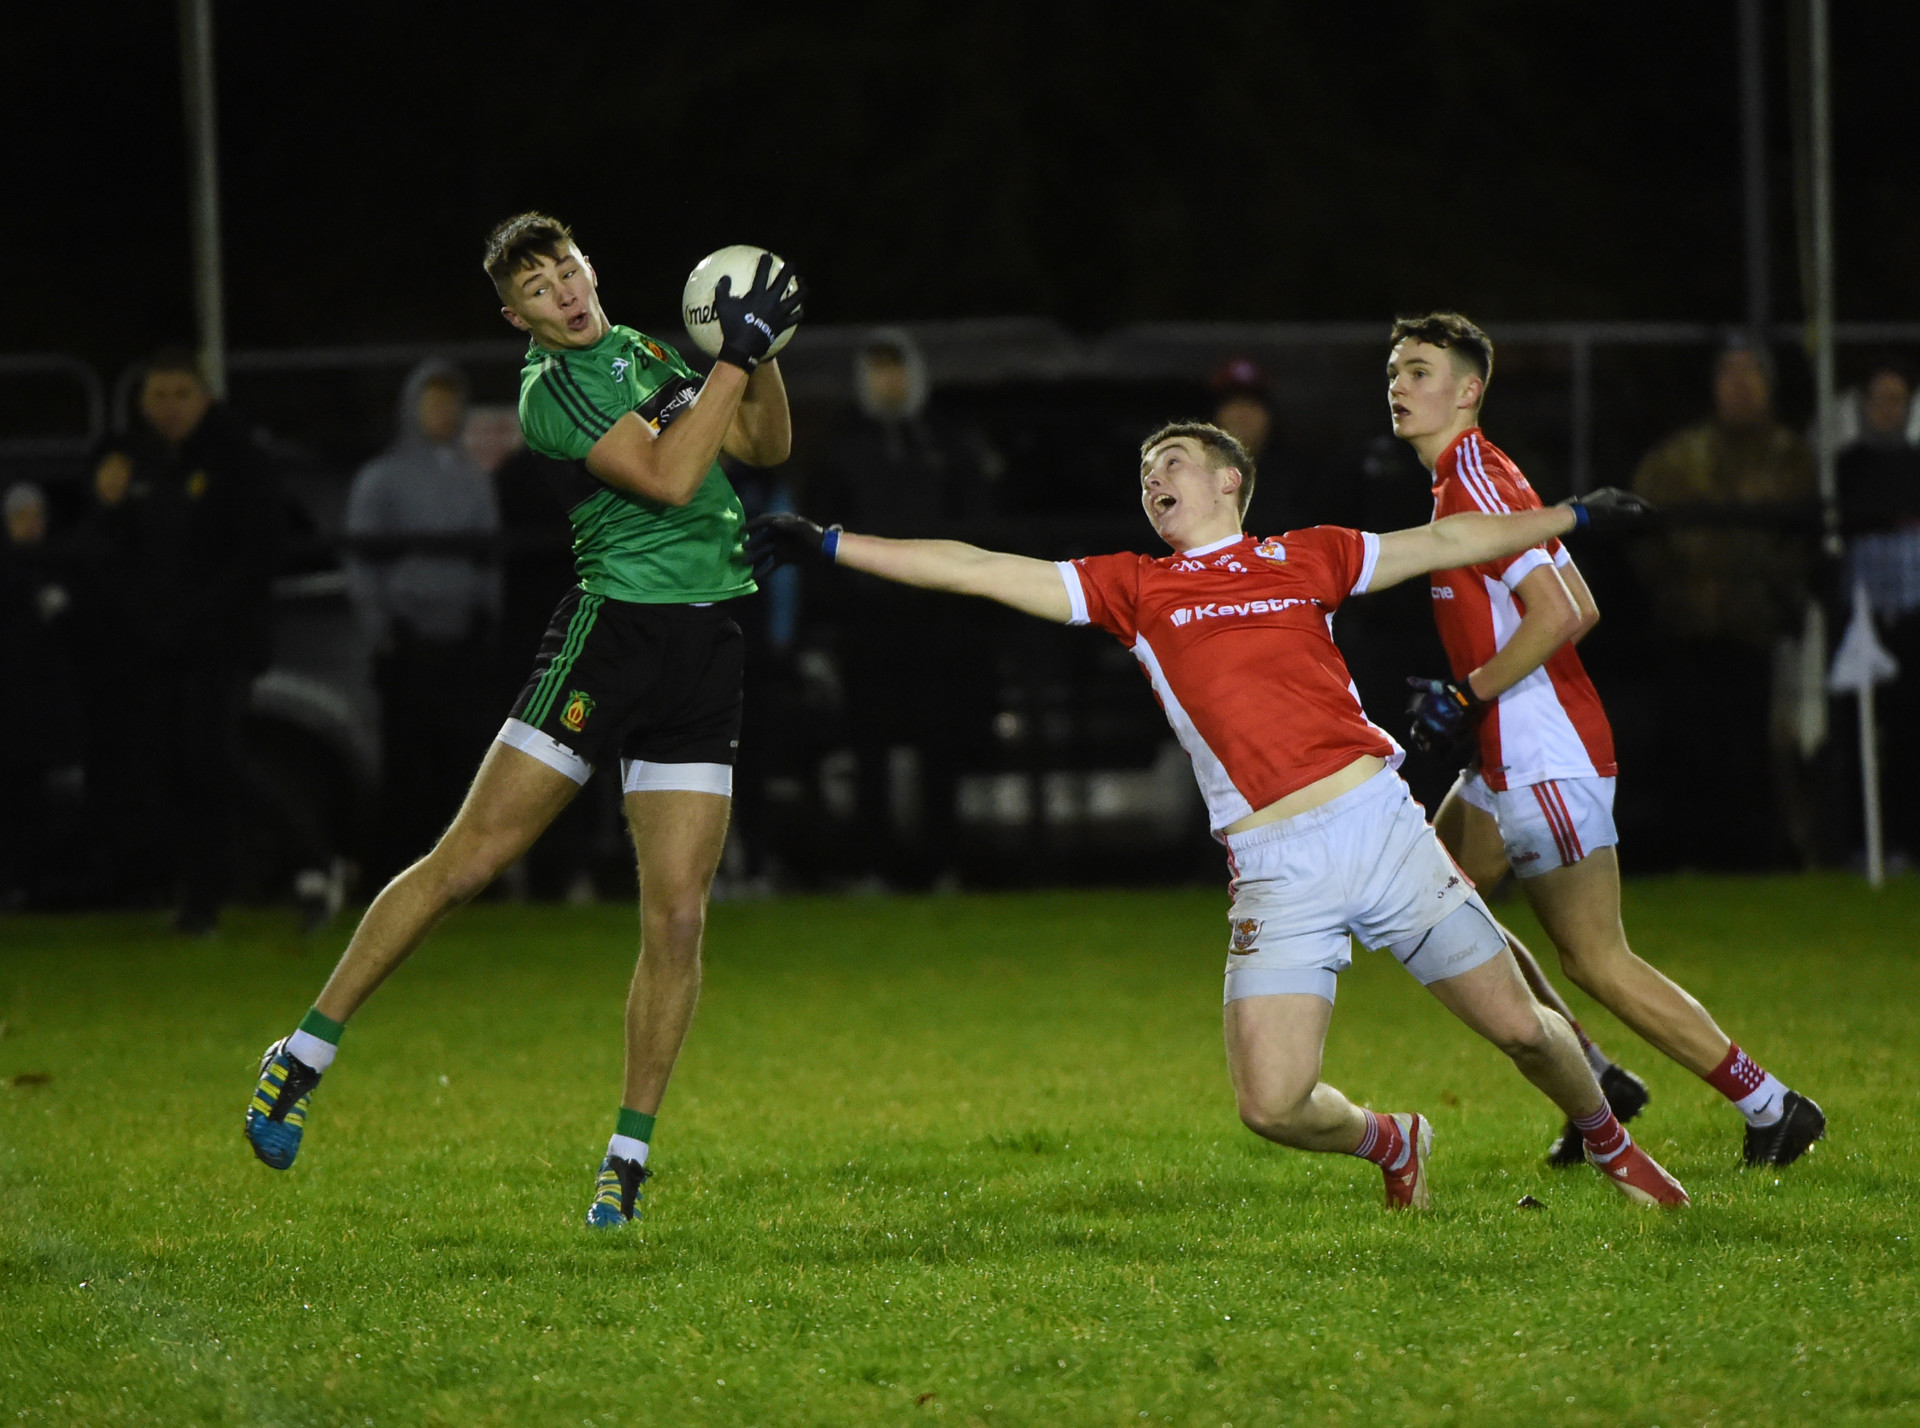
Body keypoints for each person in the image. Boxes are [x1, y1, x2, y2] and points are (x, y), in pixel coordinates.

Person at [749, 424, 1688, 1210]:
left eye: (1172, 462)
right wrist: (830, 542)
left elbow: (1441, 543)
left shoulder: (1308, 554)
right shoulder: (1137, 589)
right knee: (1272, 1105)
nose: (1153, 478)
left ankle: (1614, 1150)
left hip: (1379, 825)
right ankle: (1394, 1143)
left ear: (1230, 481)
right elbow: (980, 569)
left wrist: (1573, 516)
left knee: (1524, 1029)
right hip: (1276, 864)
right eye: (1145, 471)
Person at [243, 213, 804, 1229]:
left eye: (569, 266)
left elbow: (763, 440)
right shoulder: (553, 394)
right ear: (518, 318)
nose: (564, 289)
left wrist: (754, 361)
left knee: (678, 918)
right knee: (467, 863)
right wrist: (739, 356)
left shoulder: (643, 347)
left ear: (591, 263)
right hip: (610, 642)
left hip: (704, 649)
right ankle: (304, 1052)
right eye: (538, 287)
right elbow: (674, 477)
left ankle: (624, 1165)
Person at [1390, 311, 1826, 1169]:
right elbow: (1581, 604)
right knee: (1431, 895)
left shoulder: (1475, 478)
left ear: (1469, 390)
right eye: (1394, 370)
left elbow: (1558, 615)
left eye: (1419, 369)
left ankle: (1772, 1105)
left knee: (1595, 956)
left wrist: (1468, 691)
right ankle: (1596, 1076)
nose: (1399, 384)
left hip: (1540, 754)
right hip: (1507, 748)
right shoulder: (1473, 474)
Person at [807, 328, 1002, 887]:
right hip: (869, 623)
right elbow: (820, 534)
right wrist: (842, 604)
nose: (888, 381)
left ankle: (942, 862)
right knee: (869, 744)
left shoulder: (946, 440)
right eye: (877, 369)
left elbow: (977, 524)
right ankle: (873, 865)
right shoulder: (842, 445)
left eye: (897, 368)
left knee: (942, 743)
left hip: (938, 621)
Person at [99, 348, 283, 931]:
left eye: (181, 393)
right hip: (162, 645)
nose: (170, 407)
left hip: (220, 640)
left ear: (204, 397)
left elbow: (253, 554)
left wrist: (194, 617)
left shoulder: (237, 456)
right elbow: (119, 553)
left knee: (211, 758)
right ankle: (200, 900)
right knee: (178, 766)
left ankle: (310, 857)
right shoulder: (141, 462)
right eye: (158, 395)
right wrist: (109, 507)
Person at [1631, 339, 1820, 868]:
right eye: (1730, 374)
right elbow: (1642, 532)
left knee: (1756, 751)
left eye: (1750, 374)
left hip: (1755, 632)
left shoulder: (1790, 458)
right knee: (1690, 749)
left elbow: (1802, 541)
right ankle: (1688, 854)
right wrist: (1673, 594)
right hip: (1687, 628)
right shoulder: (1677, 458)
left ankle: (1755, 857)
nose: (1739, 386)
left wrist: (1768, 596)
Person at [345, 359, 503, 882]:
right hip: (408, 648)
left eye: (450, 401)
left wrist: (486, 619)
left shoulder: (474, 479)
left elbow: (489, 555)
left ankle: (464, 875)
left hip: (463, 648)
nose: (443, 412)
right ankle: (400, 874)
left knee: (464, 765)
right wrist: (383, 634)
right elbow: (362, 565)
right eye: (432, 401)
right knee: (407, 768)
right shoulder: (380, 479)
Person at [1836, 362, 1920, 862]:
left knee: (1911, 734)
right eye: (1879, 398)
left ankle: (1909, 843)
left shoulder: (1915, 461)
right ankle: (1861, 845)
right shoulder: (1847, 465)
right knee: (1860, 735)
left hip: (1912, 620)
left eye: (1898, 399)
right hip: (1861, 621)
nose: (1888, 409)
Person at [0, 483, 84, 905]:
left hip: (39, 710)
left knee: (34, 799)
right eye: (21, 517)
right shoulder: (14, 572)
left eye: (37, 517)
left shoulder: (56, 566)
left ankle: (30, 884)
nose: (31, 526)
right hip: (11, 707)